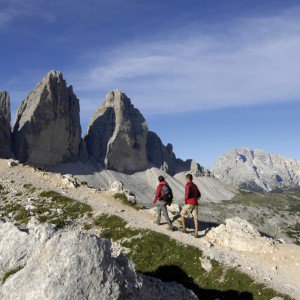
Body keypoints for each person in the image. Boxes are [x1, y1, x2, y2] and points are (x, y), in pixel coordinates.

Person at [181, 173, 201, 238]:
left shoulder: (188, 185)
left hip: (190, 203)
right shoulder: (195, 185)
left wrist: (186, 201)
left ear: (188, 178)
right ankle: (196, 233)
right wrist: (195, 198)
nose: (185, 180)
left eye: (186, 178)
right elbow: (199, 194)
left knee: (182, 214)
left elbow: (186, 195)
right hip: (195, 203)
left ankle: (184, 229)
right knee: (195, 218)